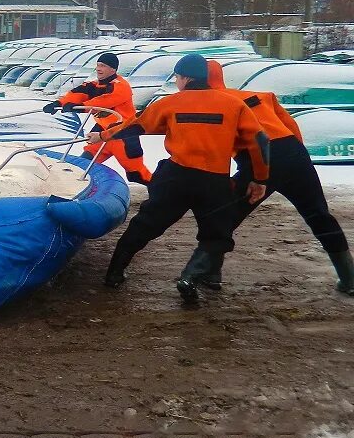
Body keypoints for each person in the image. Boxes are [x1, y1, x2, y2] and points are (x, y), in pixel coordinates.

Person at [89, 53, 269, 302]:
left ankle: (114, 273)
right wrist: (260, 178)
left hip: (177, 177)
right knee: (217, 235)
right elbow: (260, 141)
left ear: (184, 77)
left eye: (177, 77)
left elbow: (136, 125)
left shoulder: (171, 102)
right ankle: (190, 276)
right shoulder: (233, 105)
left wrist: (104, 135)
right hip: (214, 181)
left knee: (146, 225)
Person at [206, 59, 352, 294]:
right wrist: (296, 161)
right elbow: (290, 125)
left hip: (258, 157)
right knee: (319, 215)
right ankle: (349, 278)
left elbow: (214, 146)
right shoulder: (260, 95)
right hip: (293, 152)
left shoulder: (209, 103)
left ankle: (209, 274)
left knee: (224, 217)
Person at [43, 52, 152, 185]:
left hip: (122, 135)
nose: (99, 68)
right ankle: (76, 192)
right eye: (98, 65)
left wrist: (81, 107)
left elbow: (104, 101)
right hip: (100, 133)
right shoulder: (93, 85)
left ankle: (162, 193)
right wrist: (59, 104)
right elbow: (77, 93)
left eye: (103, 66)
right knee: (83, 166)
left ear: (113, 69)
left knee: (137, 174)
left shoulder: (121, 86)